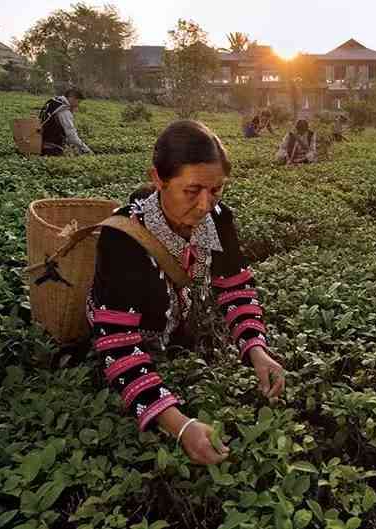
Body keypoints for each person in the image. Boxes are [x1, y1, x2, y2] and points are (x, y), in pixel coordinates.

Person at [89, 120, 285, 465]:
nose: (205, 205)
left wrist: (257, 349)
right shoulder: (121, 238)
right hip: (128, 338)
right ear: (158, 179)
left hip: (175, 327)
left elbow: (236, 288)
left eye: (217, 190)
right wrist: (179, 424)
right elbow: (117, 343)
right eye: (192, 191)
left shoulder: (219, 220)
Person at [39, 88, 93, 156]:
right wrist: (86, 149)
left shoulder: (55, 102)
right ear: (72, 98)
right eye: (78, 101)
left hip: (41, 143)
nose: (78, 105)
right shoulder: (64, 111)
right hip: (52, 148)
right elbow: (71, 136)